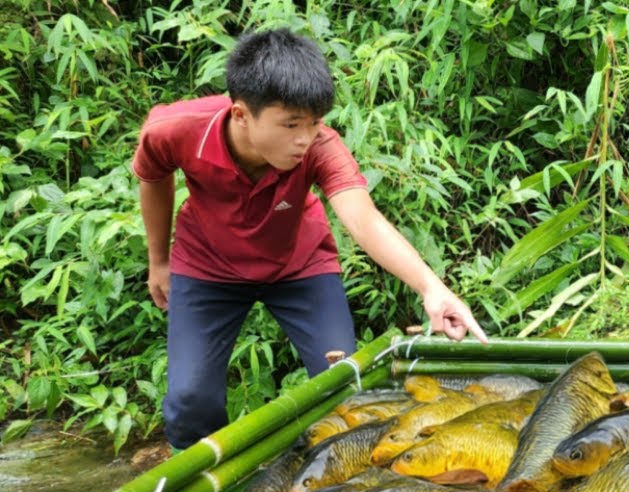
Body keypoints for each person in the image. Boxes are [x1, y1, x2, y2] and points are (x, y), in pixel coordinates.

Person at [133, 28, 487, 450]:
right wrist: (159, 261)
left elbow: (364, 219)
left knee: (341, 381)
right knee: (190, 401)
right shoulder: (174, 129)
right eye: (290, 125)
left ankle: (344, 469)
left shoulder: (321, 146)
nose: (304, 138)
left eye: (315, 122)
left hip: (299, 265)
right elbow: (153, 178)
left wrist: (432, 288)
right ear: (241, 115)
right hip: (207, 264)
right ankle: (203, 484)